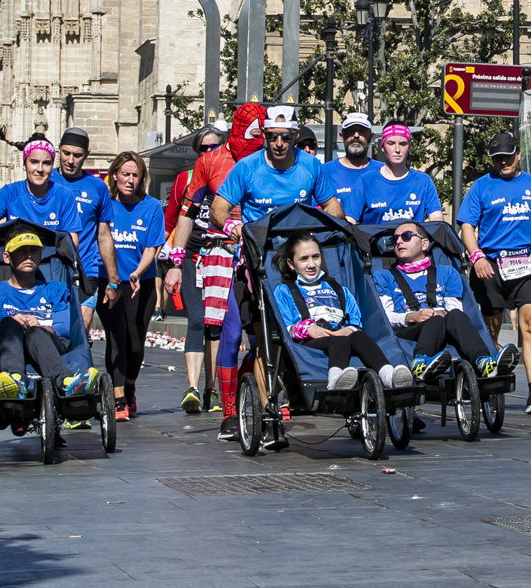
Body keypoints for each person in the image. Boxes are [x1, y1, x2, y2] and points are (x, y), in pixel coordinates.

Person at [209, 106, 337, 440]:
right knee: (250, 338)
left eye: (285, 137)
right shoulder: (248, 168)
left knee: (282, 338)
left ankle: (267, 402)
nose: (278, 143)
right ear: (263, 137)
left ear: (295, 136)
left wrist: (340, 223)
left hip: (297, 267)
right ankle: (242, 413)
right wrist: (233, 225)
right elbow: (218, 208)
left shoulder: (311, 167)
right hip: (256, 264)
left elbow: (332, 206)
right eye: (271, 137)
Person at [457, 130, 531, 415]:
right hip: (490, 267)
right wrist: (477, 257)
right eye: (497, 159)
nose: (503, 163)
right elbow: (466, 227)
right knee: (490, 328)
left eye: (508, 157)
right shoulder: (481, 187)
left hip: (525, 263)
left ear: (518, 154)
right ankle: (488, 379)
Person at [271, 231, 410, 390]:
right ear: (291, 263)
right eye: (304, 259)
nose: (311, 264)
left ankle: (388, 375)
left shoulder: (338, 289)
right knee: (340, 340)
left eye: (315, 257)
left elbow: (355, 318)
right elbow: (286, 327)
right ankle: (335, 380)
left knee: (359, 336)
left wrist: (349, 330)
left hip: (340, 333)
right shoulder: (284, 291)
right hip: (308, 340)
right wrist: (309, 329)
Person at [374, 220, 511, 378]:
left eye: (406, 236)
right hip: (408, 328)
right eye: (395, 239)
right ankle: (420, 362)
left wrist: (440, 312)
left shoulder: (447, 273)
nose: (398, 241)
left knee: (456, 316)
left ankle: (484, 360)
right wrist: (412, 316)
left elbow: (454, 308)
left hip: (443, 322)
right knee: (435, 320)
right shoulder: (383, 276)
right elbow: (386, 317)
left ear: (424, 244)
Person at [0, 136, 117, 277]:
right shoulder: (9, 192)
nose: (40, 169)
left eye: (46, 163)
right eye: (34, 162)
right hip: (17, 271)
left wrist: (41, 255)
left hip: (52, 270)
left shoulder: (64, 195)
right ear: (24, 164)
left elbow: (72, 239)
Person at [0, 231, 98, 401]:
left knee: (35, 332)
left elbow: (63, 328)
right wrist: (14, 321)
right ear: (7, 257)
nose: (28, 256)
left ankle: (66, 382)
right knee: (7, 323)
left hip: (48, 344)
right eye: (21, 251)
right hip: (8, 347)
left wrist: (41, 326)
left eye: (34, 251)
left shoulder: (54, 290)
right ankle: (15, 380)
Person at [162, 123, 227, 413]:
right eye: (204, 148)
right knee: (197, 318)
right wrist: (169, 263)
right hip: (190, 255)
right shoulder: (184, 179)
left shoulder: (228, 173)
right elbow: (171, 219)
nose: (209, 152)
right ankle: (192, 388)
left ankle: (212, 389)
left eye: (215, 147)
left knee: (215, 324)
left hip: (220, 253)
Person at [98, 151, 165, 420]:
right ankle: (118, 400)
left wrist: (138, 272)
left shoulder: (150, 207)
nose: (130, 180)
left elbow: (153, 247)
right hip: (111, 282)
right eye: (125, 174)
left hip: (142, 282)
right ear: (115, 175)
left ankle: (129, 386)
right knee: (116, 337)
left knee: (135, 342)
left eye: (135, 175)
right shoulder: (106, 206)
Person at [51, 126, 114, 340]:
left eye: (77, 155)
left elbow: (104, 235)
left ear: (86, 155)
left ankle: (79, 369)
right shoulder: (46, 181)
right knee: (54, 330)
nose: (70, 160)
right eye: (66, 153)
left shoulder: (97, 187)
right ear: (58, 151)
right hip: (51, 268)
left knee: (80, 330)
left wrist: (113, 279)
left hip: (86, 269)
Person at [356, 122, 445, 224]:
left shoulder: (423, 181)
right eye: (391, 143)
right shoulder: (366, 181)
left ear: (409, 146)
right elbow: (350, 220)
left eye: (403, 144)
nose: (397, 150)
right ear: (382, 146)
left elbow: (436, 218)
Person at [314, 112, 382, 216]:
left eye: (362, 131)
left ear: (370, 136)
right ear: (342, 136)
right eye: (351, 131)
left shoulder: (383, 171)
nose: (356, 135)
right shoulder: (324, 172)